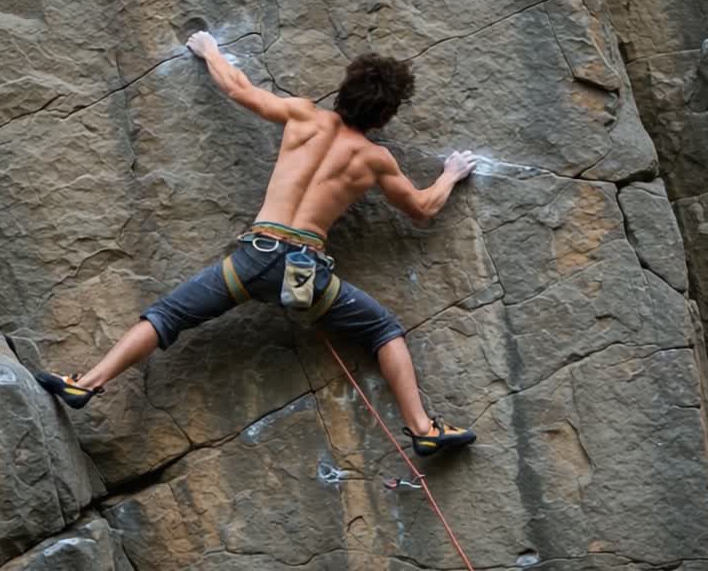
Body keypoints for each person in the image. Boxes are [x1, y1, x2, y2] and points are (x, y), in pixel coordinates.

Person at [36, 31, 478, 457]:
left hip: (254, 258)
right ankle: (423, 429)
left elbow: (239, 89)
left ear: (343, 90)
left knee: (168, 315)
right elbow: (422, 208)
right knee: (383, 331)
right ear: (385, 116)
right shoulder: (376, 160)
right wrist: (450, 174)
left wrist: (209, 49)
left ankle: (88, 382)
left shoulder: (304, 116)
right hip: (307, 274)